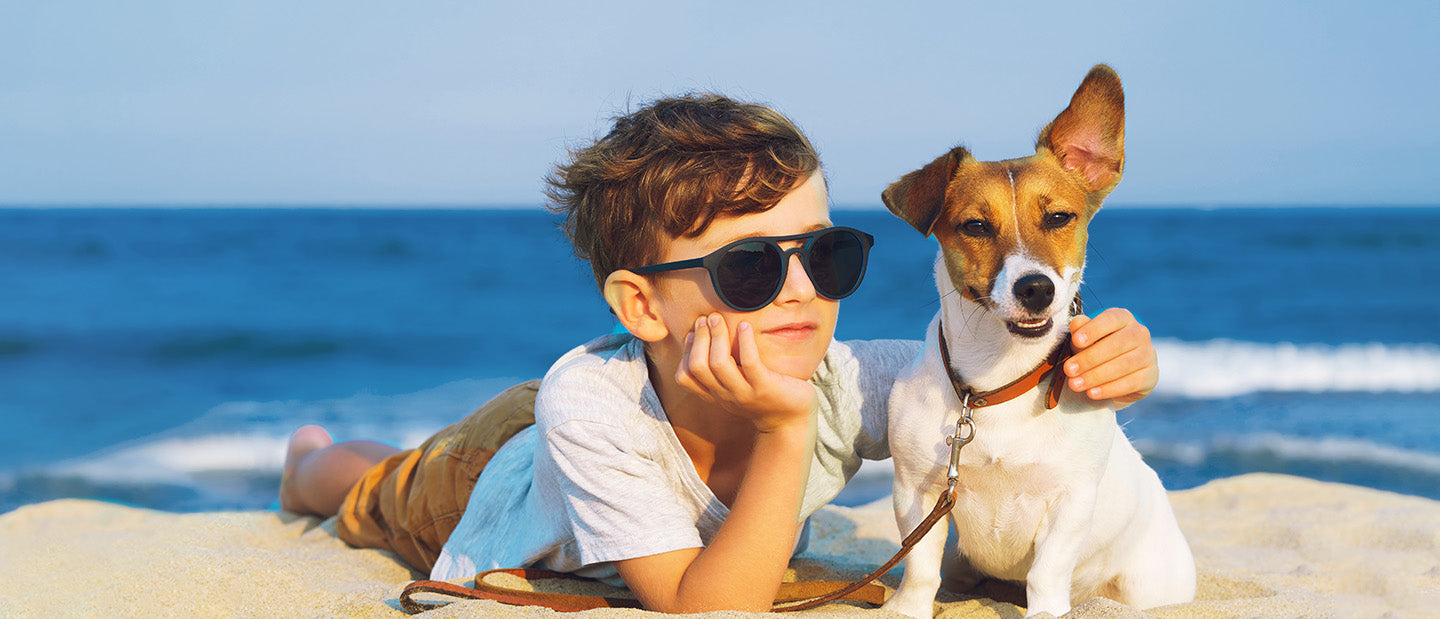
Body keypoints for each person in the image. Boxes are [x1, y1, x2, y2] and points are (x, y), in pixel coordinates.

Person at [278, 93, 1160, 613]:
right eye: (746, 268)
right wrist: (785, 433)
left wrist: (1119, 357)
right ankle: (308, 460)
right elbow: (707, 607)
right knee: (376, 490)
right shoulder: (594, 411)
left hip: (596, 443)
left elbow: (989, 388)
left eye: (825, 254)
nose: (801, 292)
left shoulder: (854, 379)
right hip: (504, 464)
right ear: (640, 304)